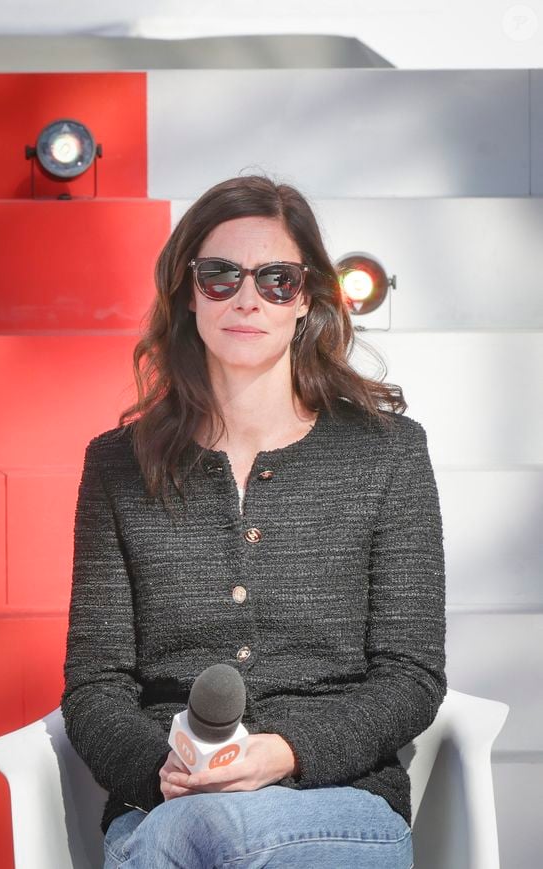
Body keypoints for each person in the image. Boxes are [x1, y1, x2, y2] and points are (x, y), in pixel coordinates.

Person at [61, 174, 446, 869]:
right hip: (170, 807)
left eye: (276, 279)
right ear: (186, 292)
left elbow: (410, 673)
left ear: (306, 300)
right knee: (204, 832)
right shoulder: (118, 466)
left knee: (223, 839)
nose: (247, 298)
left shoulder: (387, 452)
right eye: (220, 276)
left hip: (338, 799)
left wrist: (283, 751)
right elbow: (97, 684)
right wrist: (164, 772)